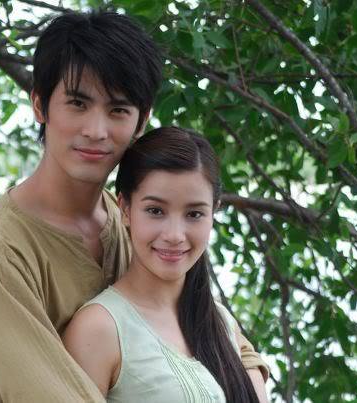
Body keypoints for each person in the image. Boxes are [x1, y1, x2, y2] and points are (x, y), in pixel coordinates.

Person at [0, 10, 267, 403]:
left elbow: (215, 328)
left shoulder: (131, 219)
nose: (96, 131)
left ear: (141, 121)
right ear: (40, 105)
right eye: (78, 103)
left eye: (118, 110)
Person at [63, 127, 269, 403]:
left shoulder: (220, 321)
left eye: (194, 214)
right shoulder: (99, 328)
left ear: (214, 212)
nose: (174, 235)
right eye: (155, 211)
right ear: (125, 209)